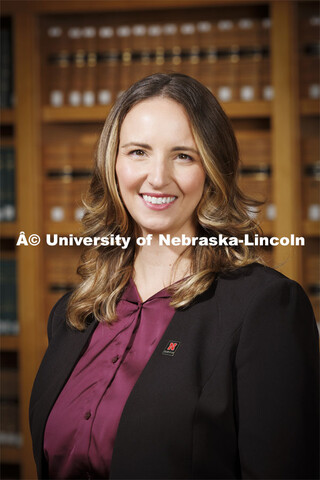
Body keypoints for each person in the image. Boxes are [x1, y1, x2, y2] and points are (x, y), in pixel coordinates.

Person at [29, 73, 319, 480]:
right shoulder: (74, 313)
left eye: (183, 155)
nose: (158, 177)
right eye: (138, 152)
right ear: (112, 163)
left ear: (212, 169)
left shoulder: (266, 308)